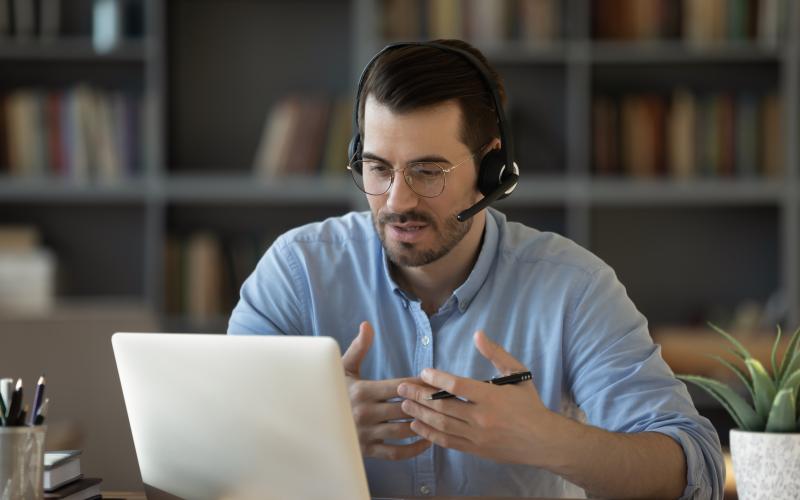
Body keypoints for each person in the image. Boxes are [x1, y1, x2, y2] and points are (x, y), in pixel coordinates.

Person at [228, 39, 724, 499]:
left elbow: (695, 466)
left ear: (493, 170)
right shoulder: (297, 271)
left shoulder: (573, 287)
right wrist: (315, 425)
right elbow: (213, 438)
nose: (397, 201)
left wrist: (548, 441)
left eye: (427, 172)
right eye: (378, 168)